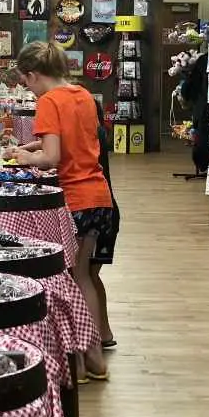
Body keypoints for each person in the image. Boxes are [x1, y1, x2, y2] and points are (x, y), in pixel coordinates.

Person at [4, 41, 113, 381]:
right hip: (99, 195)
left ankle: (87, 358)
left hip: (73, 199)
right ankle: (90, 359)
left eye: (26, 82)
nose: (27, 89)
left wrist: (23, 157)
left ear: (33, 75)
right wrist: (33, 144)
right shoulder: (82, 94)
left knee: (70, 279)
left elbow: (52, 158)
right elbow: (75, 139)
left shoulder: (48, 101)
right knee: (85, 277)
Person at [92, 98, 120, 348]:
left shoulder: (93, 135)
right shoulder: (99, 131)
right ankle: (103, 332)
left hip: (100, 210)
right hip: (108, 210)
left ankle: (95, 335)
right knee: (91, 274)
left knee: (86, 274)